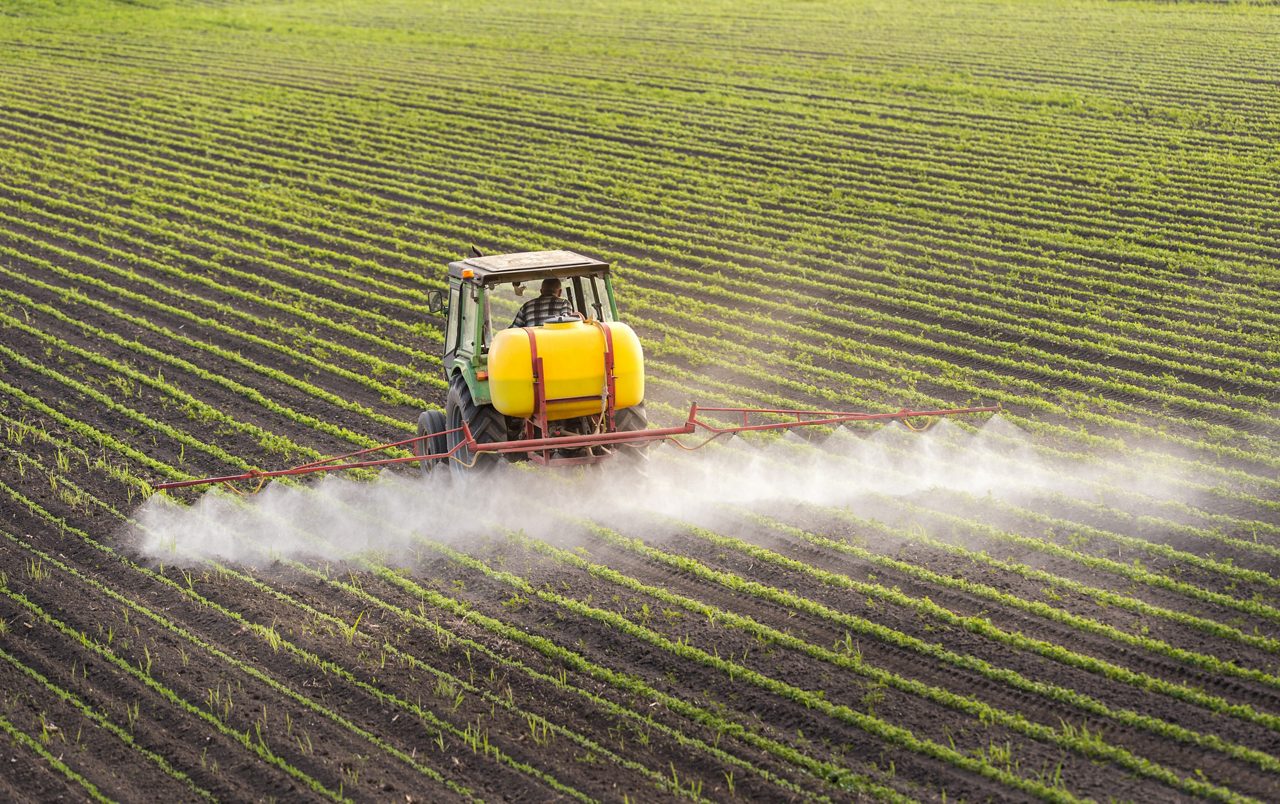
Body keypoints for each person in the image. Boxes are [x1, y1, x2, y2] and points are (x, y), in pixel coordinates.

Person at [509, 277, 580, 328]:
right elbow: (568, 326)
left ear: (541, 291)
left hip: (532, 347)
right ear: (560, 292)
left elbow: (514, 328)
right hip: (557, 345)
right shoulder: (564, 303)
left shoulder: (526, 306)